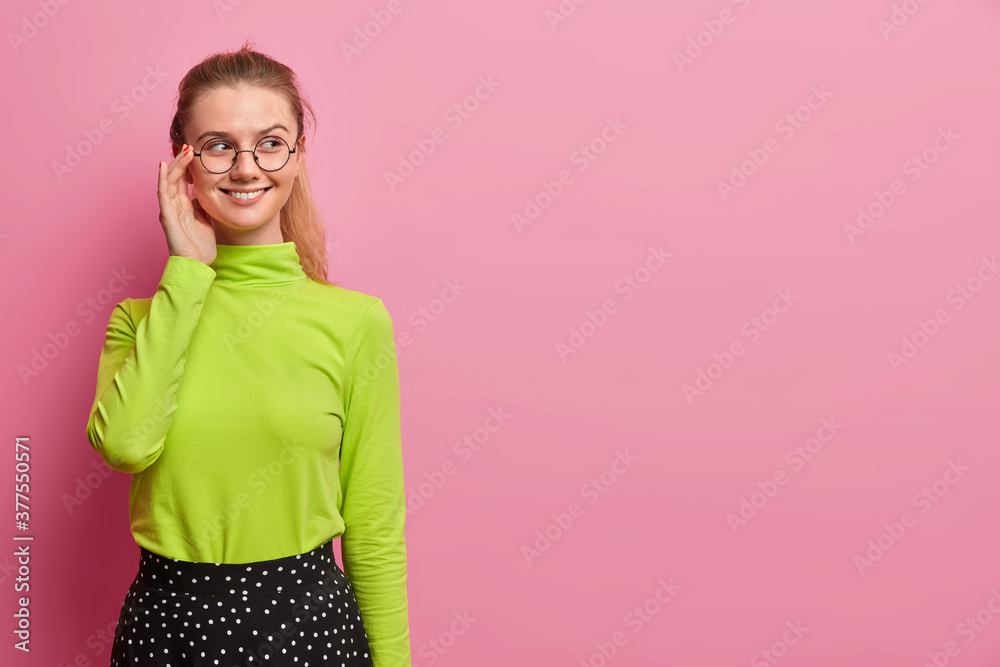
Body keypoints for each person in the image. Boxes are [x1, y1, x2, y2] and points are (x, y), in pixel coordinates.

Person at [84, 41, 412, 667]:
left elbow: (373, 527)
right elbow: (125, 445)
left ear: (296, 156)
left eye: (270, 142)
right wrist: (186, 274)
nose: (245, 167)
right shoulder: (142, 321)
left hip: (310, 630)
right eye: (217, 145)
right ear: (183, 161)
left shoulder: (355, 323)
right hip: (167, 629)